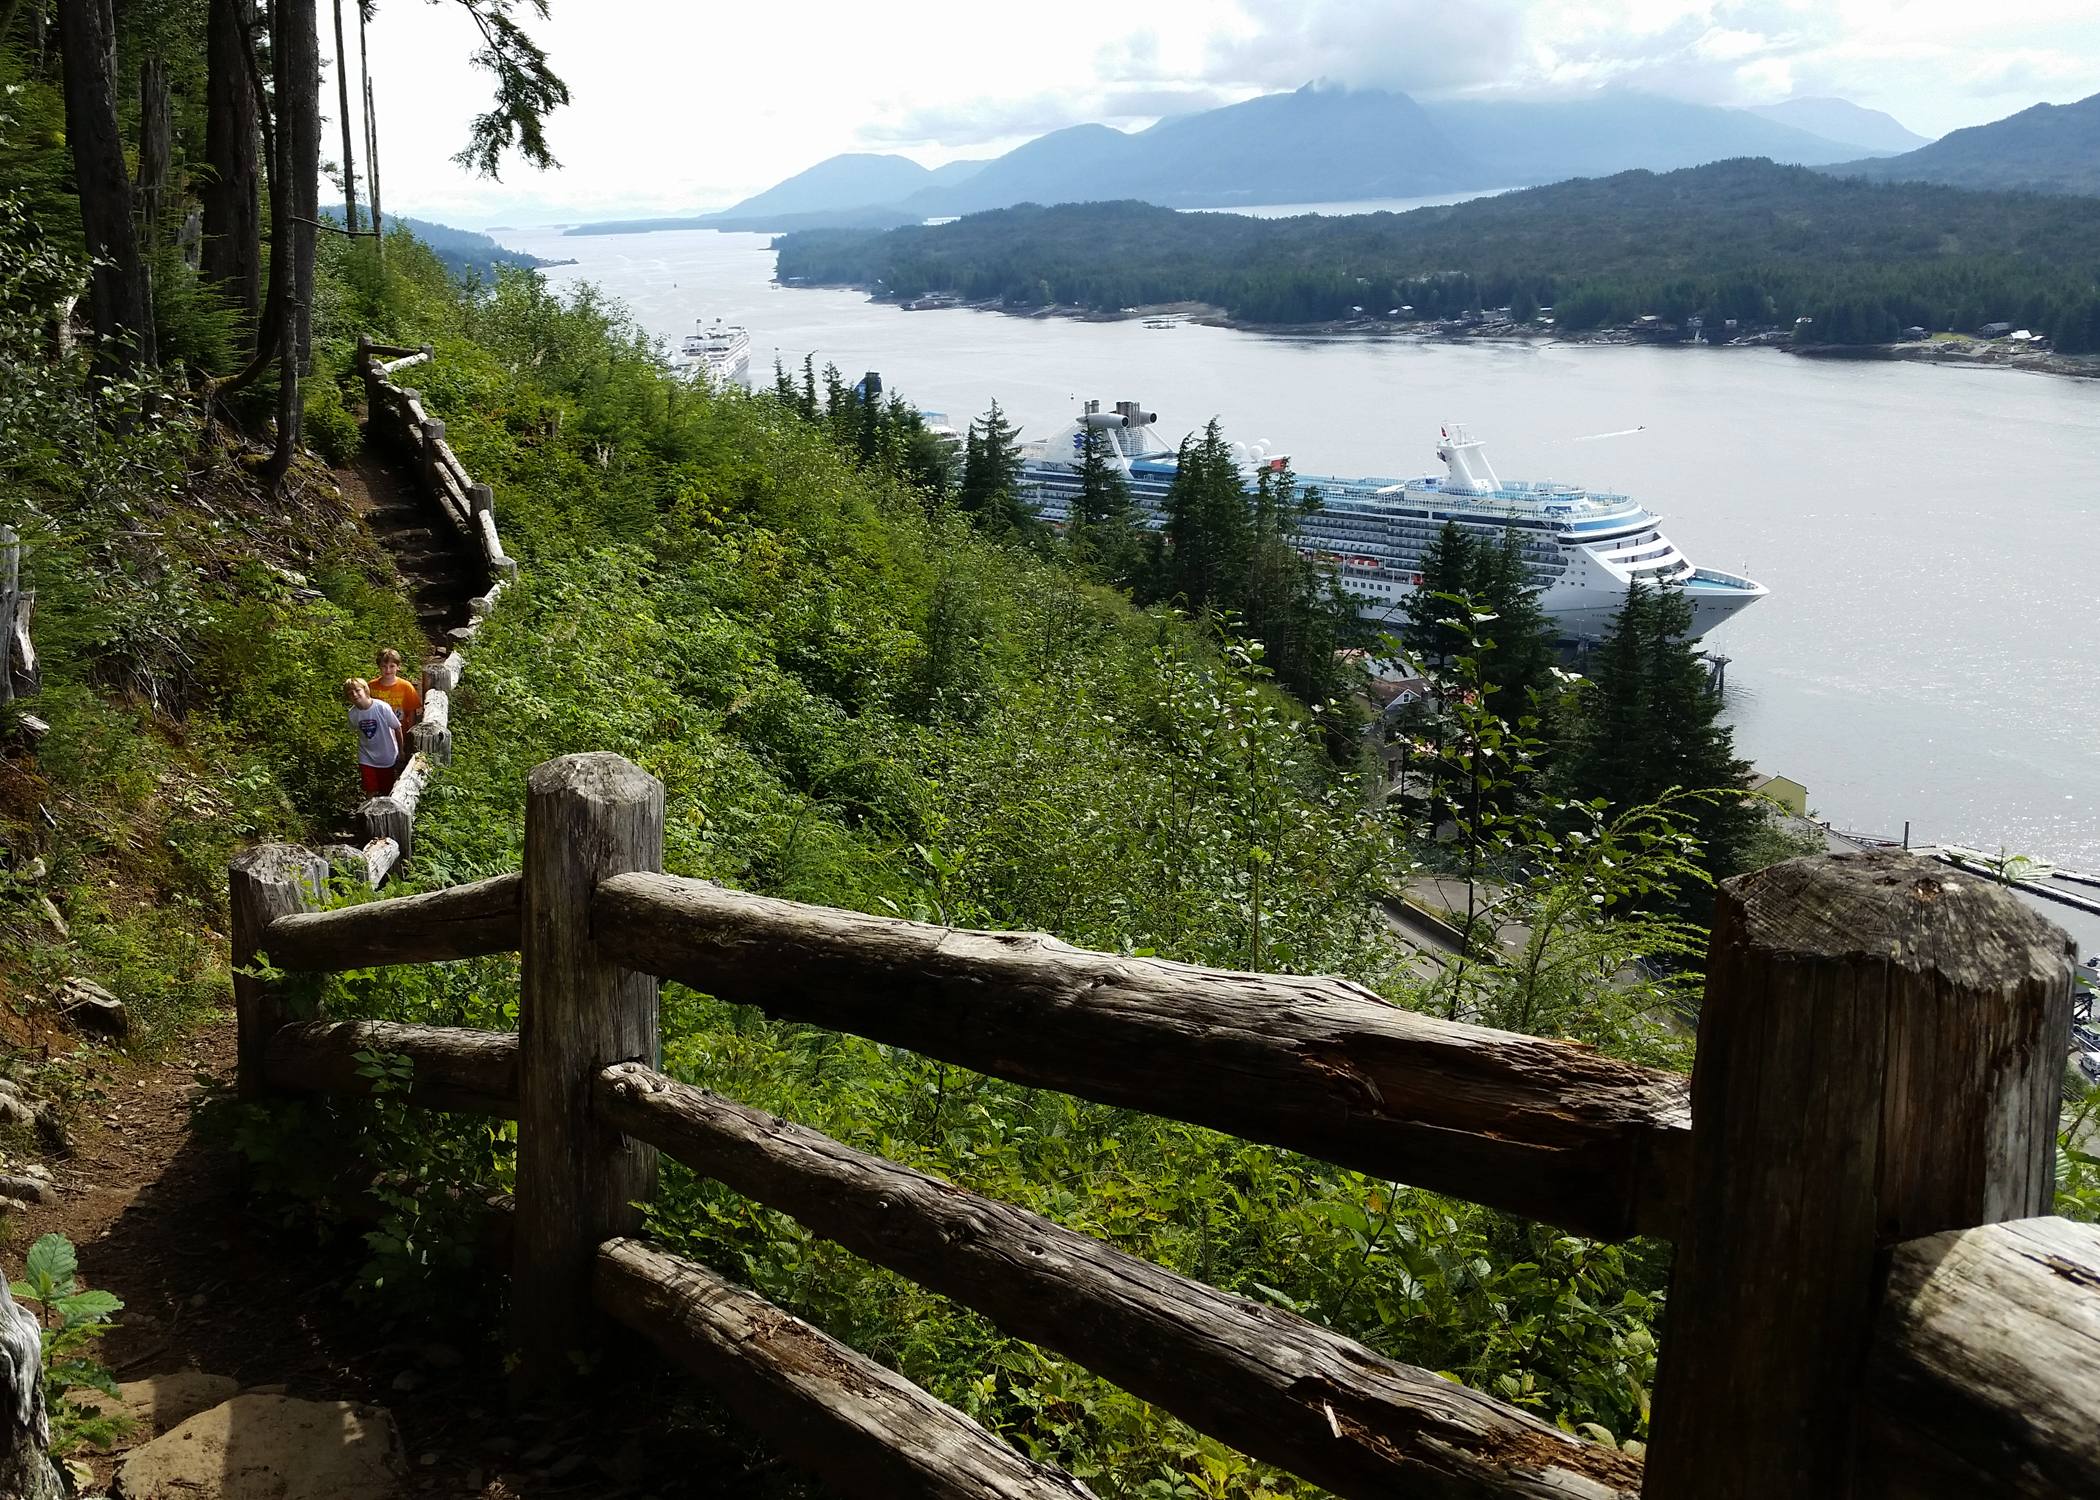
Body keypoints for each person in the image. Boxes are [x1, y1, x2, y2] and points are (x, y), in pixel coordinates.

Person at [344, 678, 403, 796]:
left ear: (365, 690)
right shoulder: (352, 714)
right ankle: (368, 810)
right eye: (350, 693)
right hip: (366, 755)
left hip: (386, 753)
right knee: (370, 787)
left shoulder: (382, 707)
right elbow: (354, 731)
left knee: (386, 789)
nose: (355, 695)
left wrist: (401, 751)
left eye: (357, 690)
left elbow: (397, 727)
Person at [368, 648, 422, 736]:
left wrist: (409, 734)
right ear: (379, 667)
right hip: (378, 733)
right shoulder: (372, 686)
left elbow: (412, 712)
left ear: (398, 666)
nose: (388, 670)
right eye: (384, 666)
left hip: (400, 732)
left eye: (392, 666)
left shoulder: (406, 686)